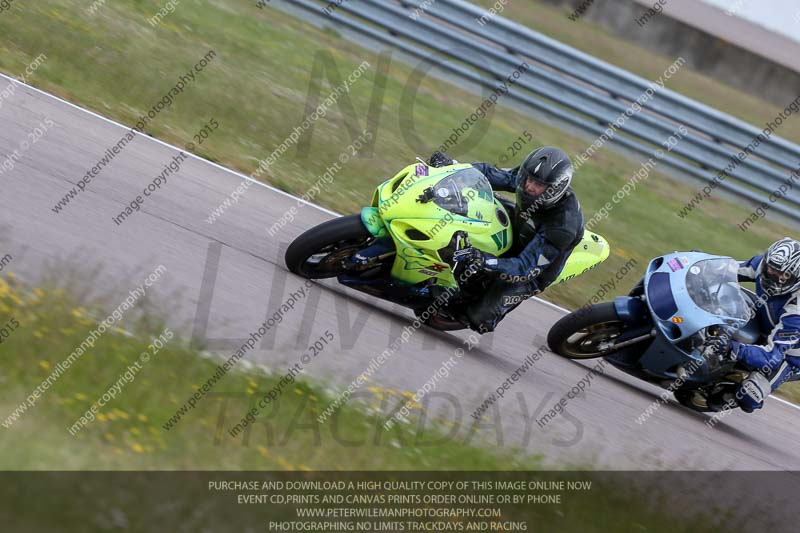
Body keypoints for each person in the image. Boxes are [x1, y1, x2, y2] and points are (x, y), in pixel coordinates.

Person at [428, 147, 584, 333]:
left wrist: (483, 260)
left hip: (533, 269)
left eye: (538, 184)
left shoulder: (563, 226)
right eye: (529, 179)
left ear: (555, 188)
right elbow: (488, 174)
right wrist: (454, 168)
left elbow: (524, 268)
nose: (529, 186)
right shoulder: (527, 178)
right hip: (518, 228)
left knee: (480, 317)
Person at [715, 238, 800, 412]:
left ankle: (727, 387)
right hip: (765, 316)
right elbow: (726, 270)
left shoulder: (796, 311)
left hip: (788, 355)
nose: (774, 277)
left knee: (749, 396)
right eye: (772, 269)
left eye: (784, 275)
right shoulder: (762, 266)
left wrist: (734, 348)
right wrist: (698, 264)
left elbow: (772, 356)